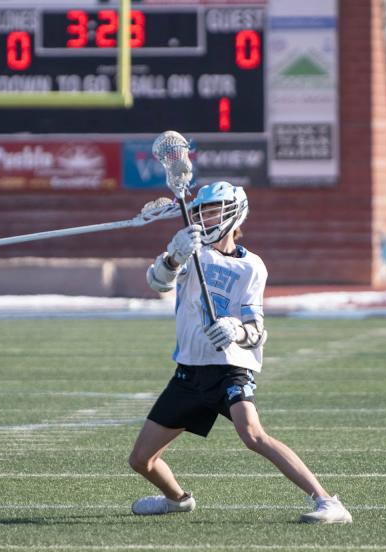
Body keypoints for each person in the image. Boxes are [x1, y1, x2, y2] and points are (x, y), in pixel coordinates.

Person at [129, 181, 352, 524]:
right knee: (141, 460)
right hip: (189, 372)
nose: (205, 218)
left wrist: (236, 329)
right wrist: (173, 256)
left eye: (213, 210)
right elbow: (159, 282)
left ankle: (328, 502)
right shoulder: (192, 251)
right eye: (202, 211)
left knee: (253, 435)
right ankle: (177, 500)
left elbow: (257, 332)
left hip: (230, 369)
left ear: (233, 214)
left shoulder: (253, 267)